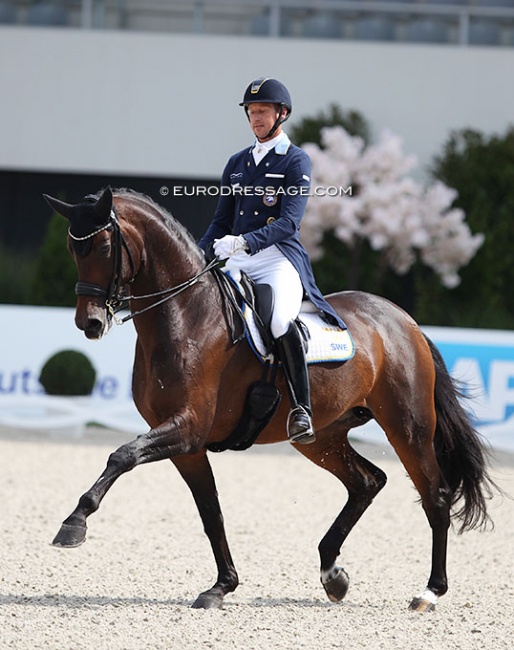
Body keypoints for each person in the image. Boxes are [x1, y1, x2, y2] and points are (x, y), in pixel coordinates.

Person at [198, 77, 346, 445]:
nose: (255, 117)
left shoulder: (295, 161)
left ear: (282, 114)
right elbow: (220, 222)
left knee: (279, 320)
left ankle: (301, 409)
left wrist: (244, 241)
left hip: (277, 259)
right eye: (251, 111)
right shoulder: (237, 163)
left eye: (262, 111)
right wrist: (198, 255)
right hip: (237, 258)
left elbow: (289, 222)